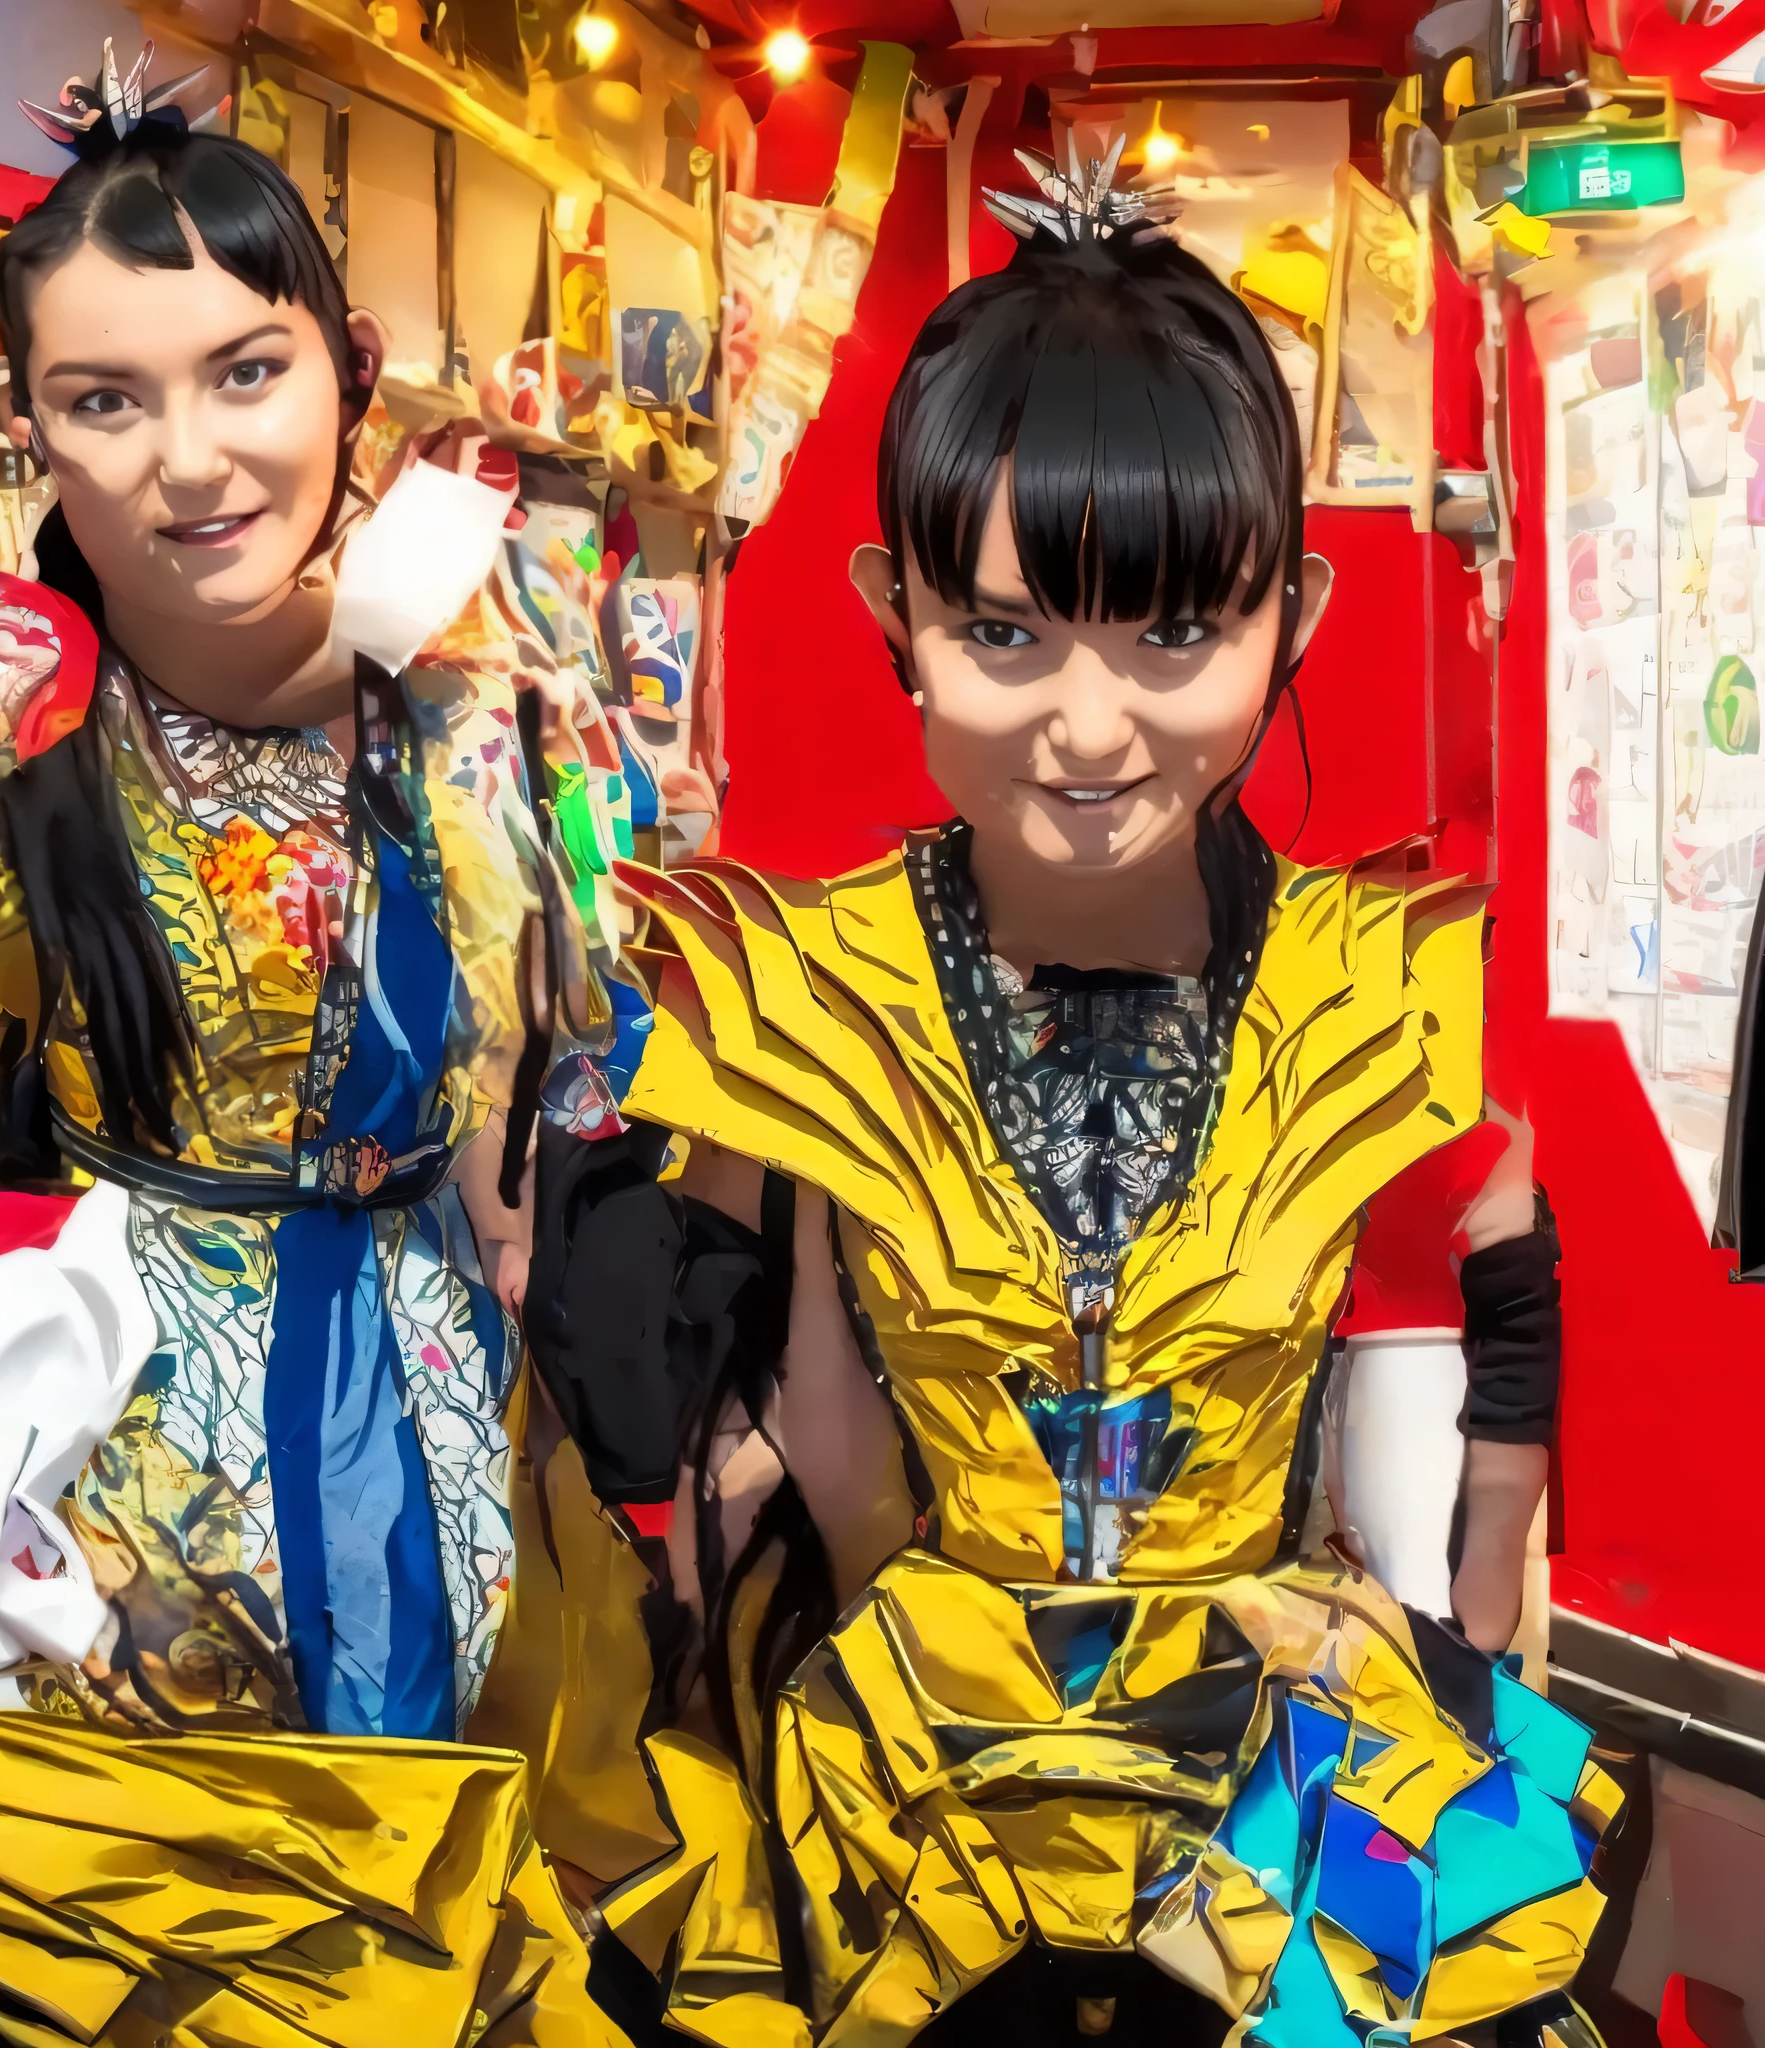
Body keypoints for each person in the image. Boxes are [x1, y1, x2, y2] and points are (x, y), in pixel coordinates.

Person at [496, 157, 1615, 2048]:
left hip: (1292, 1772)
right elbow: (809, 1437)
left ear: (1294, 612)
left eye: (1174, 634)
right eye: (1005, 633)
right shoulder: (804, 992)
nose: (1090, 729)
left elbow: (1480, 1357)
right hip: (909, 1765)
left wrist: (1476, 1628)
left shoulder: (1387, 981)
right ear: (893, 606)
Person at [0, 52, 614, 2041]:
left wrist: (433, 684)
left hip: (437, 1407)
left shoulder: (491, 706)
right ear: (25, 427)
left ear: (351, 369)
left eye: (245, 372)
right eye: (105, 398)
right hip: (85, 1432)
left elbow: (578, 1066)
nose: (189, 458)